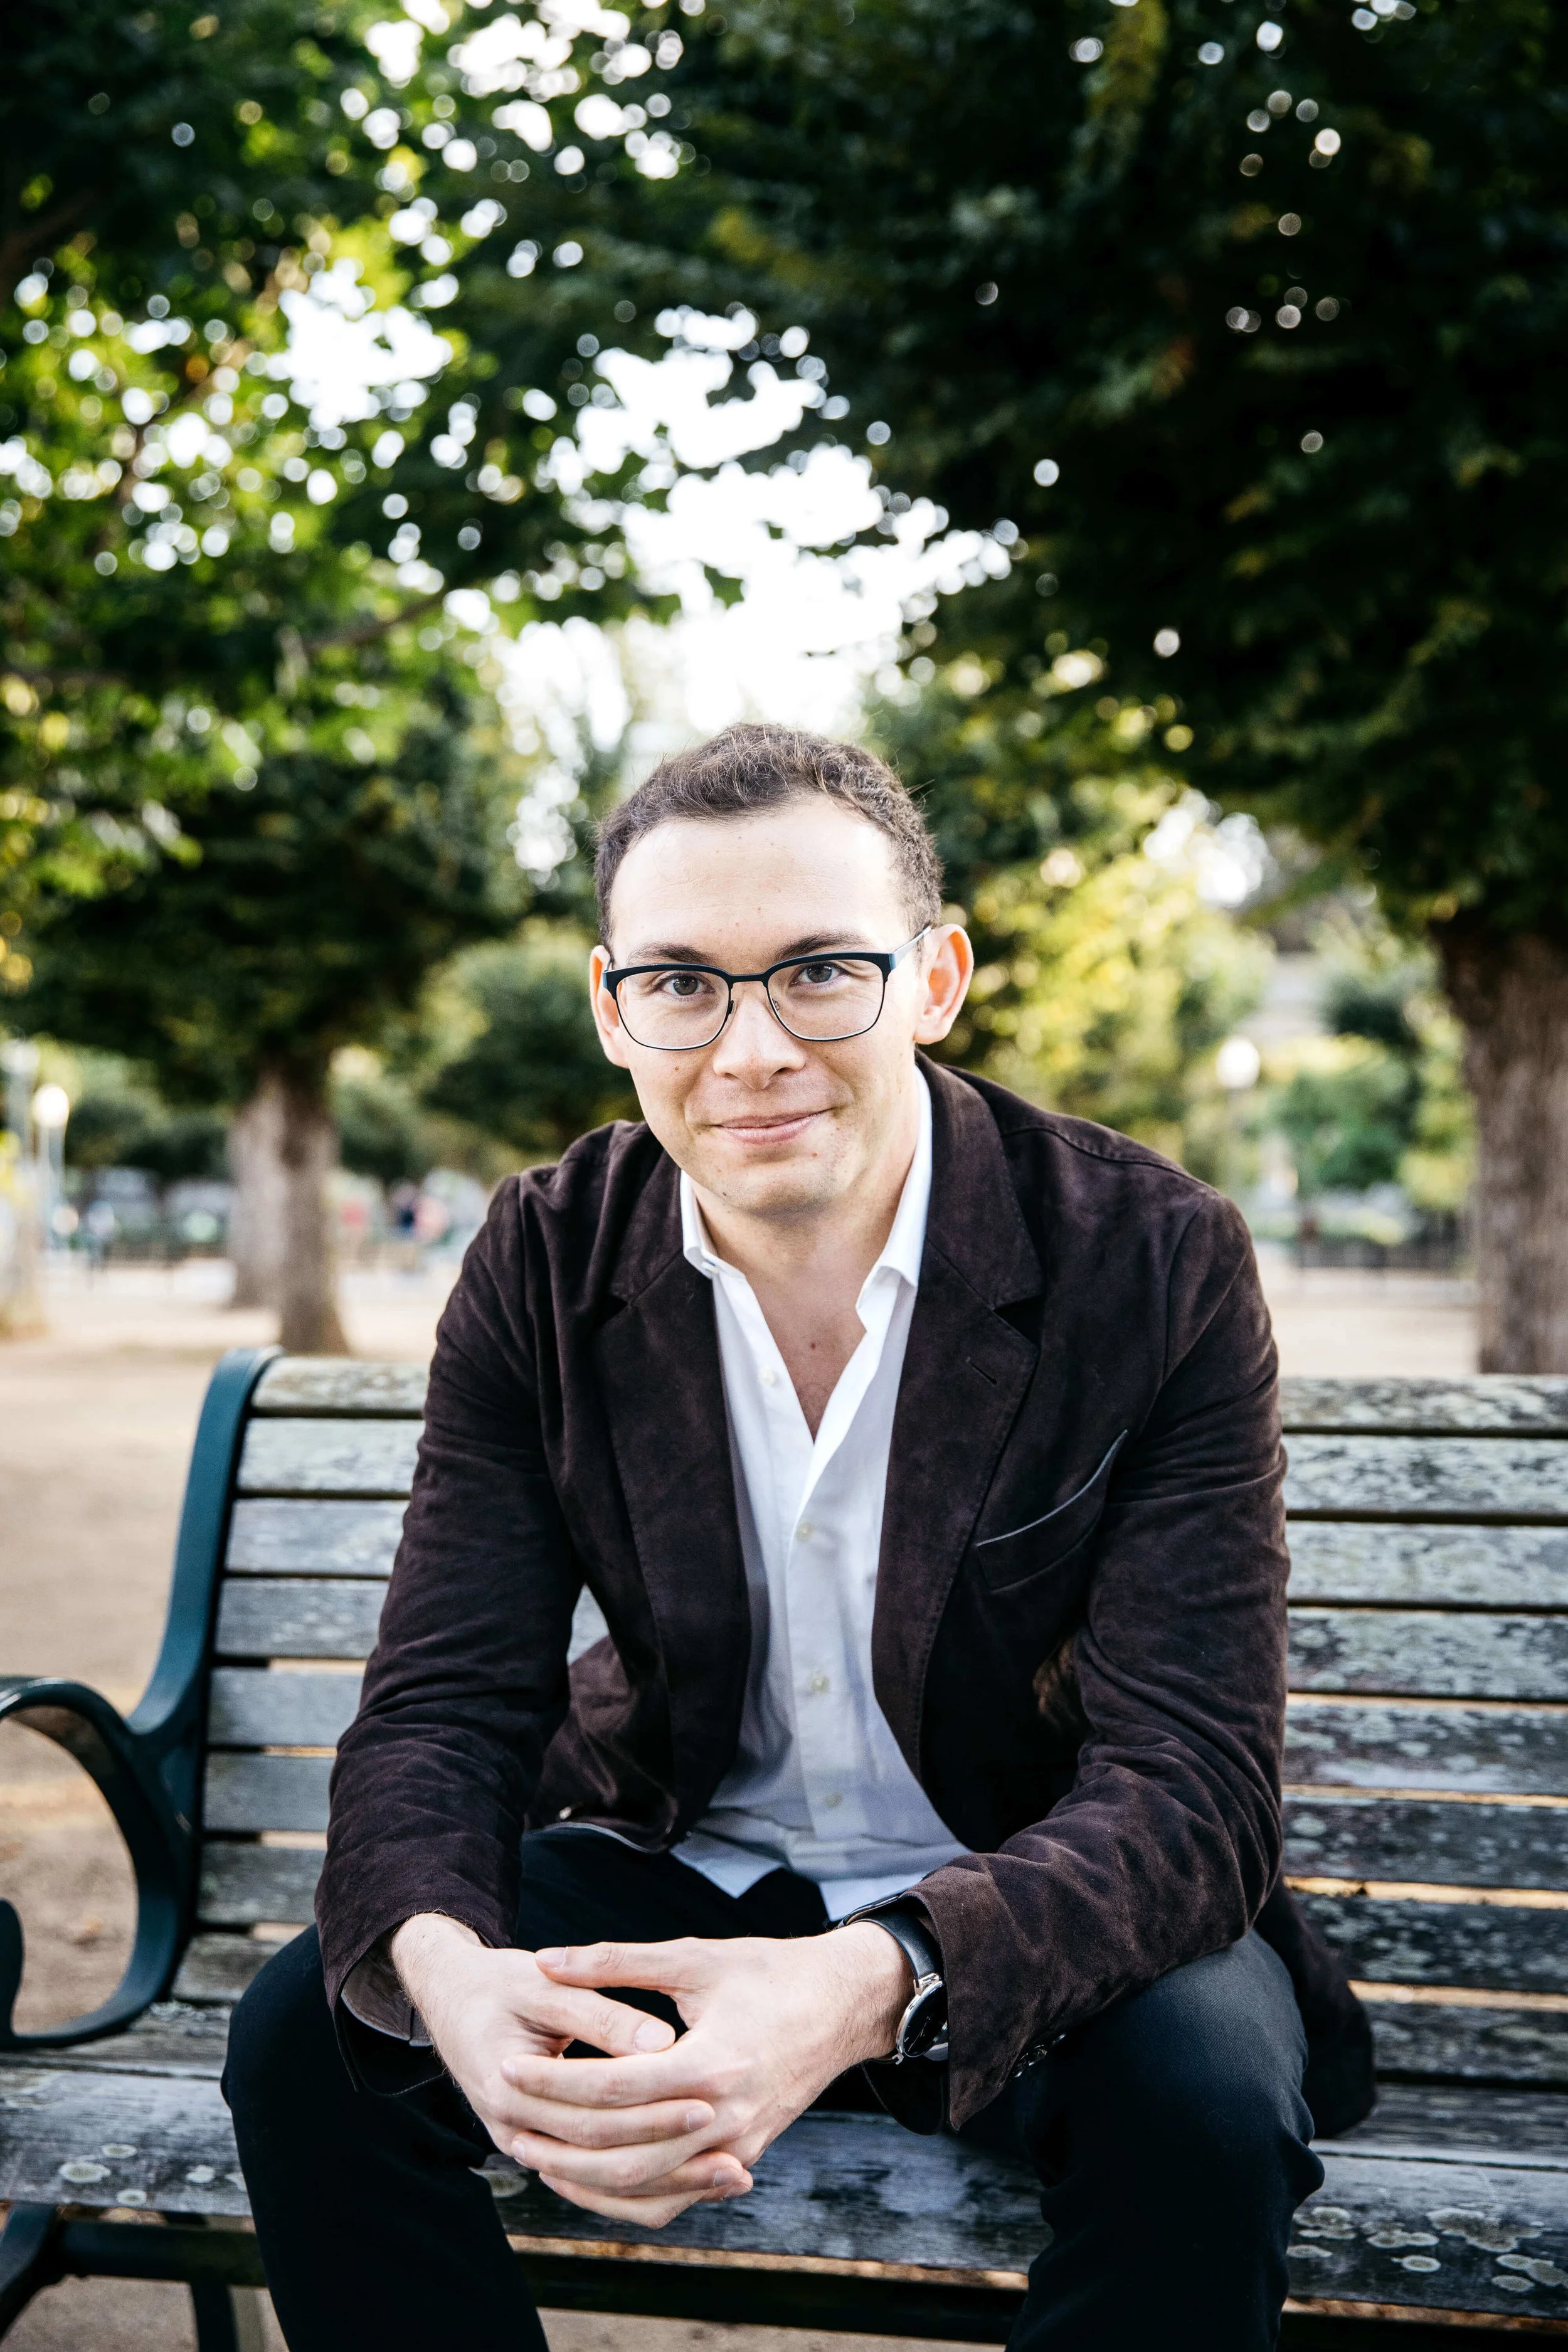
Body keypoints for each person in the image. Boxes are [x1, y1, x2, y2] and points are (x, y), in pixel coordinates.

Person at [226, 724, 1369, 2350]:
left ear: (936, 976)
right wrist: (444, 1964)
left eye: (820, 969)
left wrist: (863, 1982)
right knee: (313, 2038)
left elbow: (1192, 1787)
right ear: (613, 1007)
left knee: (1198, 2113)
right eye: (683, 981)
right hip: (686, 1851)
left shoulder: (1151, 1257)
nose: (751, 1045)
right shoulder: (541, 1259)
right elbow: (441, 1701)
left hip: (1037, 1885)